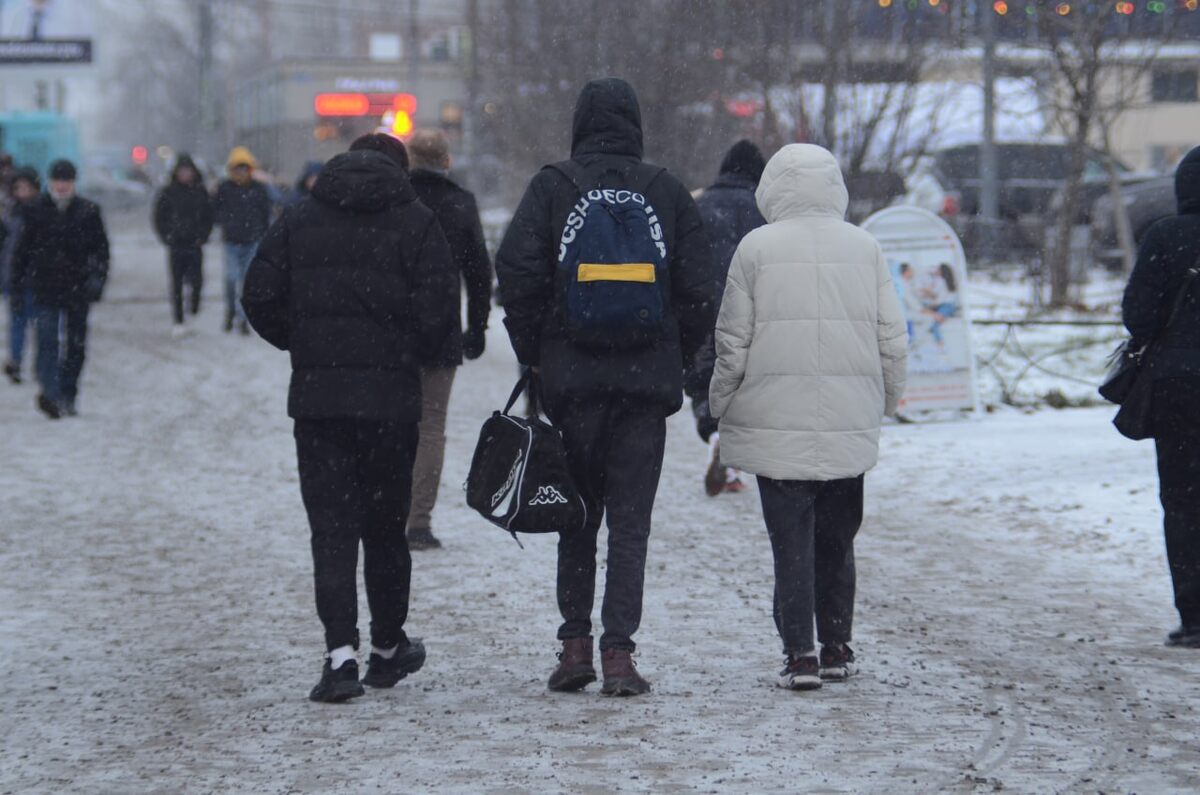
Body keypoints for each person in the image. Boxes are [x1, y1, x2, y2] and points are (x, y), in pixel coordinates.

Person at [495, 78, 717, 697]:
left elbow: (515, 270)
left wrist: (537, 350)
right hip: (646, 386)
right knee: (631, 524)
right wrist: (673, 346)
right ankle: (620, 655)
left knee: (577, 514)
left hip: (572, 382)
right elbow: (701, 288)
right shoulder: (666, 190)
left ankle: (574, 648)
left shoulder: (553, 186)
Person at [241, 133, 459, 702]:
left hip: (320, 402)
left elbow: (258, 294)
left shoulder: (300, 217)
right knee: (386, 530)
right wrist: (404, 352)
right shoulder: (417, 221)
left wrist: (305, 342)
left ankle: (340, 656)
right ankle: (387, 648)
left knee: (332, 531)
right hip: (391, 404)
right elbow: (441, 310)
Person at [709, 144, 907, 691]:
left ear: (773, 187)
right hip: (849, 417)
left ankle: (800, 653)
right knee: (839, 539)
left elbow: (733, 341)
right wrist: (887, 398)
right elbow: (892, 334)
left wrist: (719, 401)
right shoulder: (864, 247)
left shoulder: (755, 249)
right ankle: (837, 644)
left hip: (775, 419)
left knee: (790, 542)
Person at [1122, 144, 1200, 649]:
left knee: (1183, 499)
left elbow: (1139, 315)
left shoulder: (1165, 236)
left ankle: (1194, 615)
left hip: (1178, 387)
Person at [404, 129, 494, 551]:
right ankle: (418, 521)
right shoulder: (460, 203)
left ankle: (386, 511)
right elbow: (479, 273)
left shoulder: (393, 201)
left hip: (389, 330)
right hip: (440, 330)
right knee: (431, 426)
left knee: (388, 424)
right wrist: (477, 328)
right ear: (446, 161)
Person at [689, 139, 767, 497]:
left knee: (710, 382)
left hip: (706, 313)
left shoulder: (698, 207)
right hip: (755, 314)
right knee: (750, 386)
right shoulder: (766, 208)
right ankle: (742, 456)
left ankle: (719, 438)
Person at [11, 159, 110, 419]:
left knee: (76, 344)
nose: (62, 185)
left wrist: (97, 280)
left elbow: (101, 251)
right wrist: (17, 286)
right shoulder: (35, 210)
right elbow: (21, 252)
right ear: (51, 181)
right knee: (47, 341)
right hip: (44, 287)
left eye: (67, 180)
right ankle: (51, 392)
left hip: (78, 289)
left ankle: (69, 393)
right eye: (58, 180)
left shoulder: (88, 210)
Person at [153, 153, 214, 337]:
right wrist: (167, 236)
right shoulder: (167, 192)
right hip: (176, 244)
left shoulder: (200, 192)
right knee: (177, 283)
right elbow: (158, 217)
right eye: (182, 171)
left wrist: (203, 235)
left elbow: (209, 216)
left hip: (195, 244)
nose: (185, 174)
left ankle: (193, 306)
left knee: (197, 281)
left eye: (188, 171)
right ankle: (178, 320)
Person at [214, 146, 271, 334]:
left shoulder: (259, 189)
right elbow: (214, 211)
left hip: (251, 241)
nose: (241, 173)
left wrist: (262, 233)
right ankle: (231, 311)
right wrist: (226, 223)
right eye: (238, 169)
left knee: (246, 283)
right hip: (231, 242)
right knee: (231, 279)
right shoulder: (224, 188)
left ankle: (244, 319)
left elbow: (265, 213)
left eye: (244, 168)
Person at [2, 168, 41, 383]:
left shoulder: (41, 213)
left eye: (26, 188)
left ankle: (39, 366)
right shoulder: (10, 213)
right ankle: (15, 362)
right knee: (17, 323)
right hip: (15, 278)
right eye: (18, 188)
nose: (22, 192)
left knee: (39, 325)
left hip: (35, 278)